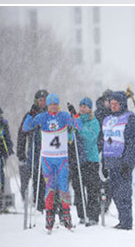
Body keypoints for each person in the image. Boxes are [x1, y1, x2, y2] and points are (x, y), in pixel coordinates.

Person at [23, 94, 81, 232]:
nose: (53, 106)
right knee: (50, 188)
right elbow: (26, 127)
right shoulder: (42, 117)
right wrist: (30, 115)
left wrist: (75, 114)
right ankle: (49, 216)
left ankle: (66, 215)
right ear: (48, 105)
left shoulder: (64, 116)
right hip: (47, 159)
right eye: (51, 104)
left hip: (62, 159)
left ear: (58, 105)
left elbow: (79, 126)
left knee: (63, 188)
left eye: (55, 104)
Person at [101, 90, 135, 230]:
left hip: (123, 161)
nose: (112, 106)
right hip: (110, 160)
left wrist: (127, 161)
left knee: (124, 193)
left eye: (115, 104)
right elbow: (105, 141)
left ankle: (126, 222)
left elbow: (132, 143)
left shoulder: (130, 119)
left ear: (122, 104)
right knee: (114, 192)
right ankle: (121, 219)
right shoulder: (107, 119)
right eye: (110, 104)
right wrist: (103, 163)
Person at [77, 97, 101, 224]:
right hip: (78, 159)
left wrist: (78, 127)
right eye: (81, 106)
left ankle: (93, 215)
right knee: (79, 188)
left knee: (92, 189)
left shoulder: (94, 121)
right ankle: (82, 214)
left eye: (85, 106)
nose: (82, 108)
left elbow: (90, 136)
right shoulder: (76, 120)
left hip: (91, 159)